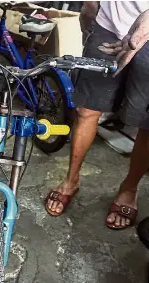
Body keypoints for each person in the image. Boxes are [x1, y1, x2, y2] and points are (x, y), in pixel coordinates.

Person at [45, 2, 149, 230]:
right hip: (109, 24)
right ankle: (71, 180)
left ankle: (129, 189)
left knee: (147, 124)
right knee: (86, 110)